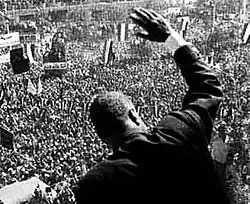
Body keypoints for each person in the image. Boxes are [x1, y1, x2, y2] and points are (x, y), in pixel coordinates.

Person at [73, 8, 230, 204]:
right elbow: (207, 87)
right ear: (133, 115)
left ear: (103, 137)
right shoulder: (180, 132)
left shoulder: (96, 185)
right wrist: (171, 38)